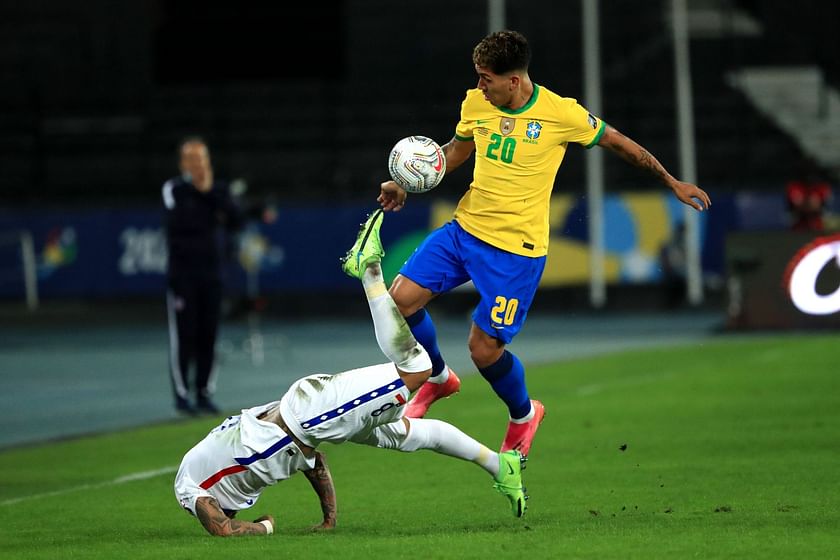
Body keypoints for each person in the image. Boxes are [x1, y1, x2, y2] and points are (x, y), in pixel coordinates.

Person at [378, 30, 711, 457]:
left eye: (486, 78)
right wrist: (408, 181)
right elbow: (455, 153)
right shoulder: (475, 103)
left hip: (515, 251)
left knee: (483, 349)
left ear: (513, 80)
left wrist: (671, 182)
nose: (480, 85)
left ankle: (523, 414)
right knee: (399, 303)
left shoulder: (561, 114)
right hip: (464, 230)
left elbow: (617, 142)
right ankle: (439, 378)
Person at [174, 210, 528, 537]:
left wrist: (264, 527)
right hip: (311, 426)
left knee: (416, 369)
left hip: (310, 415)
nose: (234, 513)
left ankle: (369, 268)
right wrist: (329, 517)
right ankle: (501, 467)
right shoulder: (213, 473)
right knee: (412, 436)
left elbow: (219, 525)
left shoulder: (190, 490)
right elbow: (312, 462)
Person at [163, 137, 270, 415]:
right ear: (183, 163)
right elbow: (179, 221)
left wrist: (211, 196)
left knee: (208, 335)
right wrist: (209, 201)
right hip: (182, 275)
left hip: (212, 273)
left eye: (202, 159)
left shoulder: (219, 190)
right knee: (184, 336)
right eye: (192, 159)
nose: (197, 165)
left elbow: (236, 220)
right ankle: (182, 394)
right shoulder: (174, 189)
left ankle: (204, 391)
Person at [785, 158, 833, 232]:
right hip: (798, 228)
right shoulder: (793, 186)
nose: (809, 174)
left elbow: (820, 207)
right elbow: (798, 207)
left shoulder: (822, 187)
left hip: (819, 227)